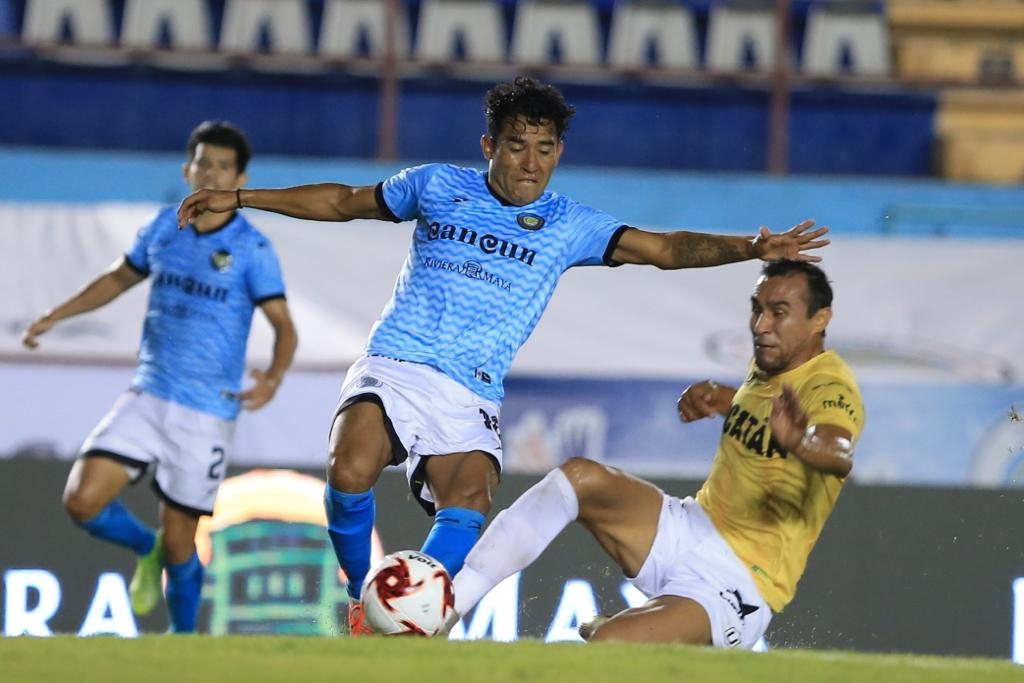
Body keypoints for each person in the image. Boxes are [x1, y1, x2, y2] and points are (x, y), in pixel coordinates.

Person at [175, 77, 829, 636]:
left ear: (559, 153)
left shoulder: (571, 224)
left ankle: (414, 616)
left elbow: (664, 249)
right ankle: (360, 595)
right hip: (396, 365)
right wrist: (240, 197)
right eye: (517, 146)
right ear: (489, 145)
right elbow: (344, 202)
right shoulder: (435, 185)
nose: (531, 163)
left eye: (545, 150)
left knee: (473, 498)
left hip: (471, 394)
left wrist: (752, 245)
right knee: (349, 470)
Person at [450, 259, 863, 647]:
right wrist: (724, 401)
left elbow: (839, 450)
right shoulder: (772, 364)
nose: (761, 325)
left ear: (819, 320)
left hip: (739, 581)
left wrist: (801, 441)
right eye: (757, 310)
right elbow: (762, 421)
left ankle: (656, 636)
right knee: (579, 478)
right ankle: (448, 607)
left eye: (778, 312)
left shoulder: (830, 385)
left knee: (613, 647)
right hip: (690, 528)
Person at [22, 121, 298, 633]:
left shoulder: (252, 248)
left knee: (181, 542)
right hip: (148, 394)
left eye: (222, 165)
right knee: (81, 501)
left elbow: (284, 326)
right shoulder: (161, 228)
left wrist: (274, 376)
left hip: (206, 412)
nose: (210, 172)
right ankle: (143, 547)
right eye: (203, 163)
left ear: (239, 176)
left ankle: (183, 643)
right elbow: (117, 278)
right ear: (186, 169)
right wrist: (56, 315)